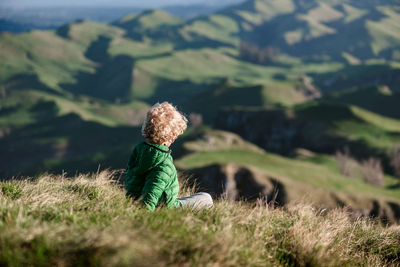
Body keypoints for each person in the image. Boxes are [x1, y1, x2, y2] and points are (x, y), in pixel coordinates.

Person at [125, 102, 213, 211]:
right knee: (206, 198)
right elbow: (150, 196)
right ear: (173, 136)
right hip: (165, 208)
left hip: (134, 201)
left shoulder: (139, 152)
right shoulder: (162, 164)